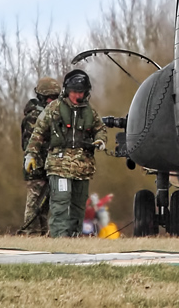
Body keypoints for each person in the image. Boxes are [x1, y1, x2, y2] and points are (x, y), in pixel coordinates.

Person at [24, 69, 107, 238]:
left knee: (78, 205)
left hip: (83, 167)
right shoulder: (54, 109)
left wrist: (100, 141)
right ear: (67, 91)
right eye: (74, 92)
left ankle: (74, 236)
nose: (77, 95)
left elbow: (100, 129)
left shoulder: (90, 112)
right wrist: (30, 154)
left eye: (81, 92)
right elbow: (38, 132)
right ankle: (59, 238)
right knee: (60, 203)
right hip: (59, 165)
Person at [19, 76, 60, 235]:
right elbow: (31, 143)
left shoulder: (48, 113)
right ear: (42, 97)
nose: (52, 100)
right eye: (49, 97)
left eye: (55, 97)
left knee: (43, 206)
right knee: (34, 202)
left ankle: (41, 234)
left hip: (47, 164)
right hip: (35, 165)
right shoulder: (34, 116)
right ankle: (31, 233)